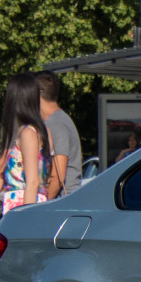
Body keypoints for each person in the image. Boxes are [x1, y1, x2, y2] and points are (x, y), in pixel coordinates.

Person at [0, 72, 50, 219]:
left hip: (24, 206)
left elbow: (32, 181)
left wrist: (25, 220)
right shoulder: (36, 130)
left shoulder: (28, 133)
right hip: (22, 204)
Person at [37, 71, 82, 199]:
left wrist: (40, 207)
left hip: (64, 201)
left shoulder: (56, 123)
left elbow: (57, 177)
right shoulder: (58, 120)